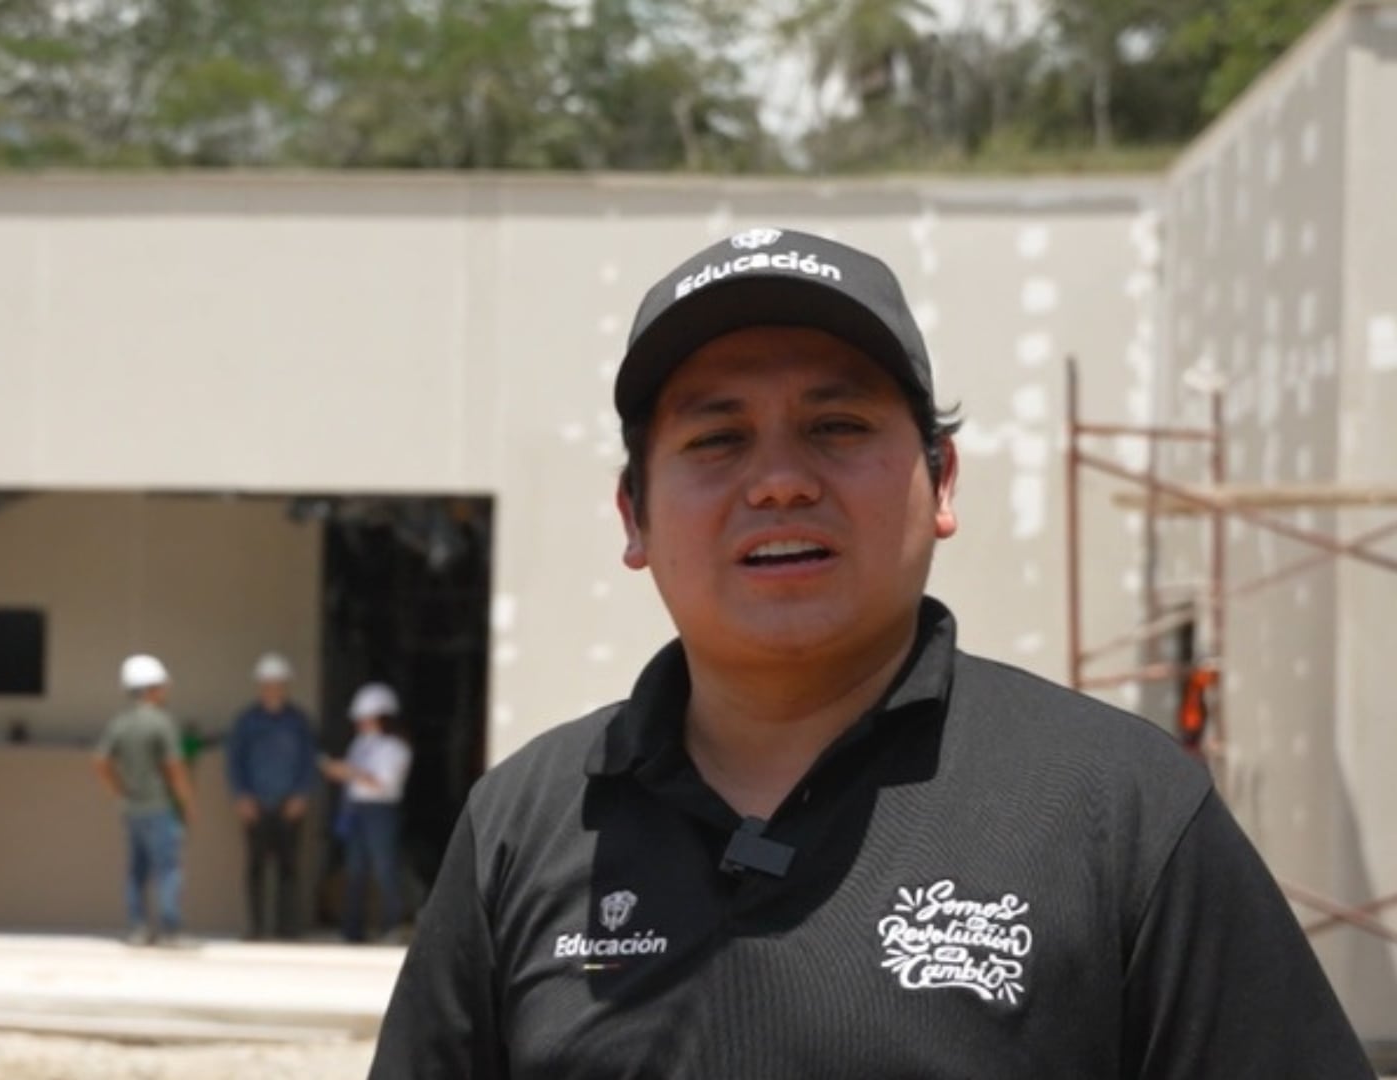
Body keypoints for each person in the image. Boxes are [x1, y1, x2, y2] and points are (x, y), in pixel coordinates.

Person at [370, 228, 1375, 1077]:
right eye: (717, 440)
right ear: (632, 515)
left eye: (837, 425)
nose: (778, 483)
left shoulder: (1122, 812)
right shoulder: (523, 825)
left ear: (941, 482)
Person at [92, 653, 196, 946]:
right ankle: (171, 930)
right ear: (152, 689)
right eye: (162, 686)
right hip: (160, 807)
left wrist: (117, 791)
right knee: (168, 869)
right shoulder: (162, 723)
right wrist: (187, 803)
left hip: (132, 809)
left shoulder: (120, 723)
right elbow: (175, 768)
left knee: (137, 871)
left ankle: (138, 928)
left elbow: (100, 761)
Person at [226, 651, 318, 941]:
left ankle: (287, 928)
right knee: (256, 868)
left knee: (289, 868)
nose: (273, 689)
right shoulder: (247, 721)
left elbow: (308, 758)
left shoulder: (299, 720)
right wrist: (242, 796)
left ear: (285, 686)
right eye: (268, 683)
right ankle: (255, 928)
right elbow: (235, 760)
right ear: (260, 686)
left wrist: (302, 794)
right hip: (256, 804)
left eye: (278, 683)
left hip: (289, 804)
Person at [321, 681, 412, 943]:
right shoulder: (360, 743)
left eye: (366, 718)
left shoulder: (396, 747)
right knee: (355, 869)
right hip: (357, 809)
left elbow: (385, 783)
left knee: (385, 868)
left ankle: (392, 926)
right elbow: (353, 775)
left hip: (381, 811)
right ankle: (352, 930)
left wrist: (350, 772)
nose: (360, 723)